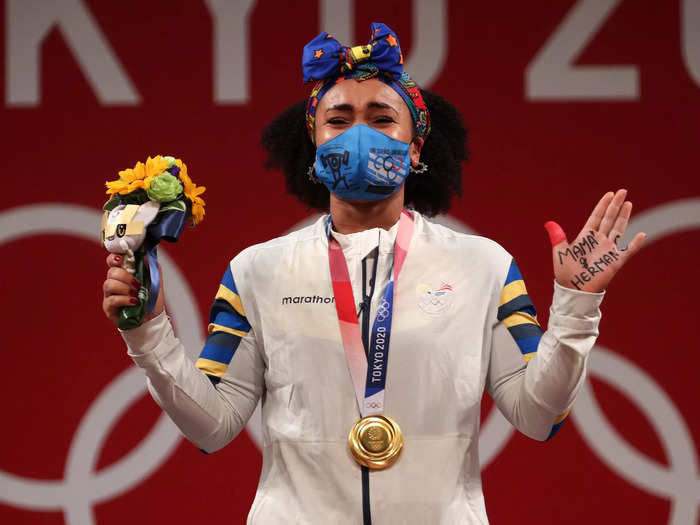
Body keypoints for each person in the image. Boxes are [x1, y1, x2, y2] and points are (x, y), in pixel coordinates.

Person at [102, 23, 645, 525]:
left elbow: (538, 415)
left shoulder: (484, 266)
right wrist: (148, 331)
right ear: (315, 145)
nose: (358, 135)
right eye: (338, 121)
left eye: (382, 119)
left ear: (414, 149)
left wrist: (575, 305)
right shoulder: (258, 271)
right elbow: (211, 427)